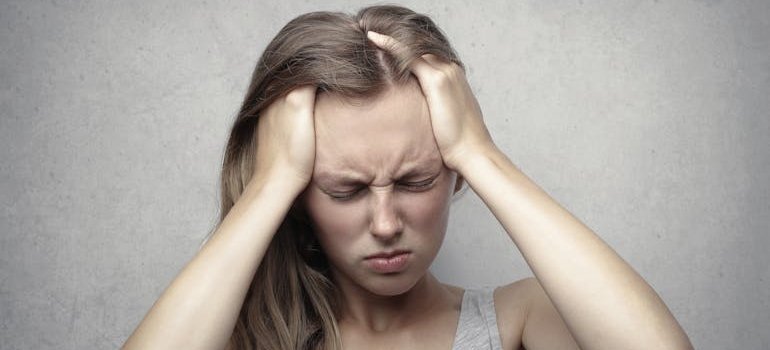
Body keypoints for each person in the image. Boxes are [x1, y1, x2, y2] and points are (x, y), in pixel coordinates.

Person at [122, 5, 693, 350]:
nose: (387, 223)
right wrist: (270, 183)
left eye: (416, 180)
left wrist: (480, 152)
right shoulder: (231, 337)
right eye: (344, 190)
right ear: (299, 199)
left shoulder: (522, 320)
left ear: (453, 174)